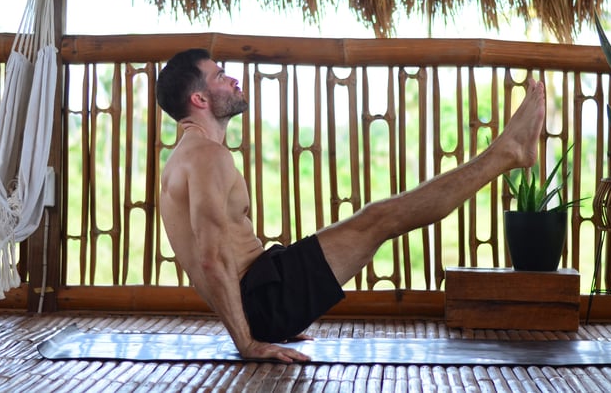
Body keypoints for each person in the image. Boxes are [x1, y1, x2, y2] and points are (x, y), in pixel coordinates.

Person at [156, 48, 545, 363]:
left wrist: (257, 325)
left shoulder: (182, 160)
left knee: (376, 217)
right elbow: (210, 260)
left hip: (265, 291)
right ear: (200, 98)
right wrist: (249, 341)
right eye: (220, 75)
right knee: (381, 218)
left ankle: (506, 152)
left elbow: (211, 261)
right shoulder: (208, 158)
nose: (233, 78)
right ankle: (506, 153)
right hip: (264, 301)